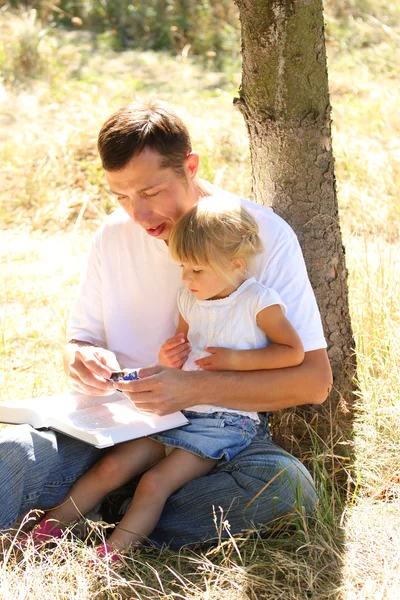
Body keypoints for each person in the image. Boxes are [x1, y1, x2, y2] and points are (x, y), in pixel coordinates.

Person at [0, 99, 332, 550]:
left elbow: (313, 382)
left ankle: (111, 511)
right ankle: (116, 507)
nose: (136, 214)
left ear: (189, 167)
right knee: (13, 451)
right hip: (116, 428)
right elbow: (80, 338)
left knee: (285, 484)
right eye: (121, 196)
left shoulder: (260, 236)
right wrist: (80, 358)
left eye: (151, 192)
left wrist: (194, 389)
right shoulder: (113, 235)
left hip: (216, 434)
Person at [29, 197, 305, 559]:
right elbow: (182, 352)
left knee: (154, 482)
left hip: (226, 421)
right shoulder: (189, 300)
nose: (186, 279)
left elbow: (293, 352)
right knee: (112, 466)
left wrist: (237, 359)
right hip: (179, 411)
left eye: (197, 270)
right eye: (183, 268)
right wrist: (167, 357)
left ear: (235, 264)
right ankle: (47, 529)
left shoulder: (259, 302)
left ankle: (111, 554)